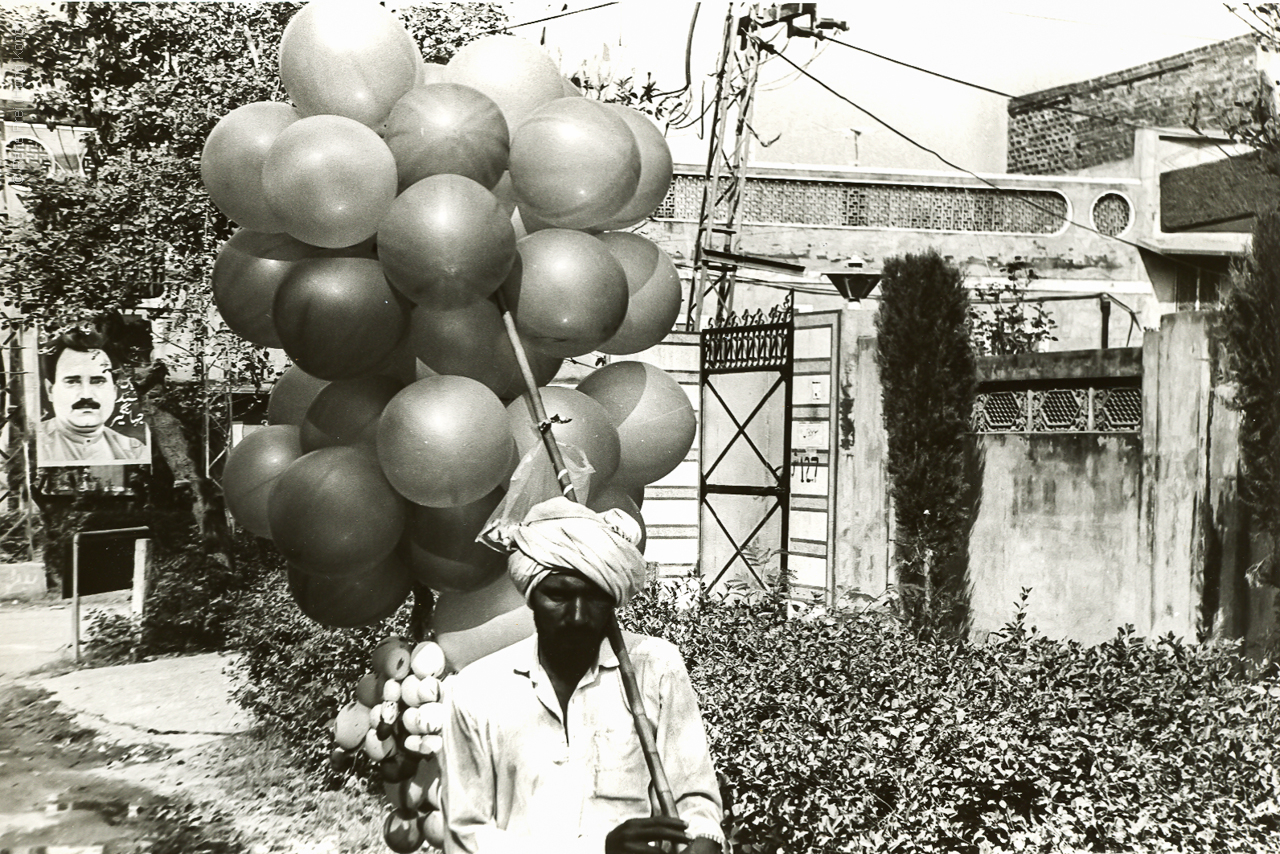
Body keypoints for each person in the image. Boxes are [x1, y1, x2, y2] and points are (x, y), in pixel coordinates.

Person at [441, 497, 724, 854]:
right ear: (530, 596)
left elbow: (694, 800)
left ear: (613, 600)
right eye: (558, 596)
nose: (577, 616)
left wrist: (700, 840)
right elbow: (466, 834)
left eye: (594, 597)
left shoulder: (655, 667)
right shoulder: (478, 689)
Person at [37, 328, 147, 465]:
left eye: (98, 381)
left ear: (114, 391)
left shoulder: (135, 452)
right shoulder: (29, 445)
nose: (86, 394)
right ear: (50, 390)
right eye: (72, 381)